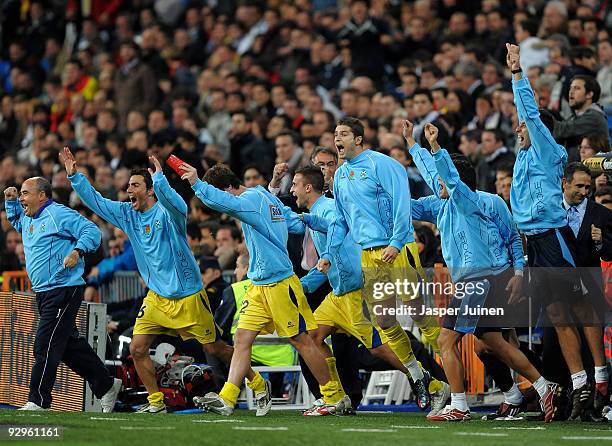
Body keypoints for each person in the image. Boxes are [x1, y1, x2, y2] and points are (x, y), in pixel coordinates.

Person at [59, 147, 267, 415]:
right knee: (138, 347)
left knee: (215, 348)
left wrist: (160, 180)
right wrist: (75, 177)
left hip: (188, 296)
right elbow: (97, 202)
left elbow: (178, 205)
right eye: (128, 186)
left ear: (149, 191)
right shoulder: (127, 214)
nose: (128, 190)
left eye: (135, 185)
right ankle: (156, 401)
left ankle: (259, 383)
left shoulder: (168, 215)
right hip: (157, 297)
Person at [405, 121, 558, 422]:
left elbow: (513, 237)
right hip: (483, 279)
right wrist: (412, 144)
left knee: (447, 342)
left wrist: (517, 273)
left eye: (443, 181)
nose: (437, 185)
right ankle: (536, 388)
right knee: (489, 344)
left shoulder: (472, 202)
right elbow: (416, 193)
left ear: (457, 183)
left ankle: (460, 405)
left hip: (482, 280)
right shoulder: (443, 205)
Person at [179, 162, 349, 416]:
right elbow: (294, 224)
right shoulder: (262, 197)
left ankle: (334, 396)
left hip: (279, 282)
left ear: (227, 188)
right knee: (241, 338)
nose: (225, 205)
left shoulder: (248, 199)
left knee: (301, 340)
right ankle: (230, 397)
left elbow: (219, 202)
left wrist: (195, 183)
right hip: (259, 285)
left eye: (222, 194)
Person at [291, 166, 450, 414]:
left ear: (308, 187)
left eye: (295, 184)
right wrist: (301, 285)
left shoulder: (328, 209)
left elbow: (335, 230)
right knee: (311, 336)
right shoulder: (319, 210)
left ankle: (433, 384)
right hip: (338, 294)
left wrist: (307, 221)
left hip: (356, 292)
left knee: (380, 348)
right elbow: (326, 262)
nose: (292, 190)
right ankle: (335, 396)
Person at [317, 117, 441, 406]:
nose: (338, 139)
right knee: (384, 321)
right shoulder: (342, 176)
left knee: (419, 314)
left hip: (397, 248)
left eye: (344, 134)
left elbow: (401, 203)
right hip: (369, 254)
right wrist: (327, 253)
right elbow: (340, 221)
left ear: (358, 139)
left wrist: (397, 242)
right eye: (336, 134)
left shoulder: (382, 164)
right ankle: (417, 375)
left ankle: (452, 366)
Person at [507, 42, 595, 418]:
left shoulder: (546, 150)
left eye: (524, 124)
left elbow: (528, 110)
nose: (518, 128)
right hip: (535, 243)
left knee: (577, 312)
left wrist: (516, 74)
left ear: (538, 127)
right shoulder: (523, 156)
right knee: (558, 317)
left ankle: (596, 379)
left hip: (553, 238)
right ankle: (577, 385)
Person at [4, 179, 121, 412]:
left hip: (64, 289)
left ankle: (38, 400)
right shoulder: (28, 216)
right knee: (67, 346)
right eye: (21, 195)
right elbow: (19, 223)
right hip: (44, 292)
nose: (22, 198)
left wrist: (77, 251)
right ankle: (106, 385)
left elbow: (92, 231)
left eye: (26, 194)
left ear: (42, 196)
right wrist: (10, 203)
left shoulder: (59, 214)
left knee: (45, 343)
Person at [561, 162, 611, 420]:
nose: (584, 191)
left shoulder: (602, 214)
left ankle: (596, 402)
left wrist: (601, 242)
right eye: (579, 186)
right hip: (555, 289)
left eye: (588, 187)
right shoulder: (548, 211)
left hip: (589, 291)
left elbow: (611, 252)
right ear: (565, 183)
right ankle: (564, 404)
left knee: (593, 351)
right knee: (553, 351)